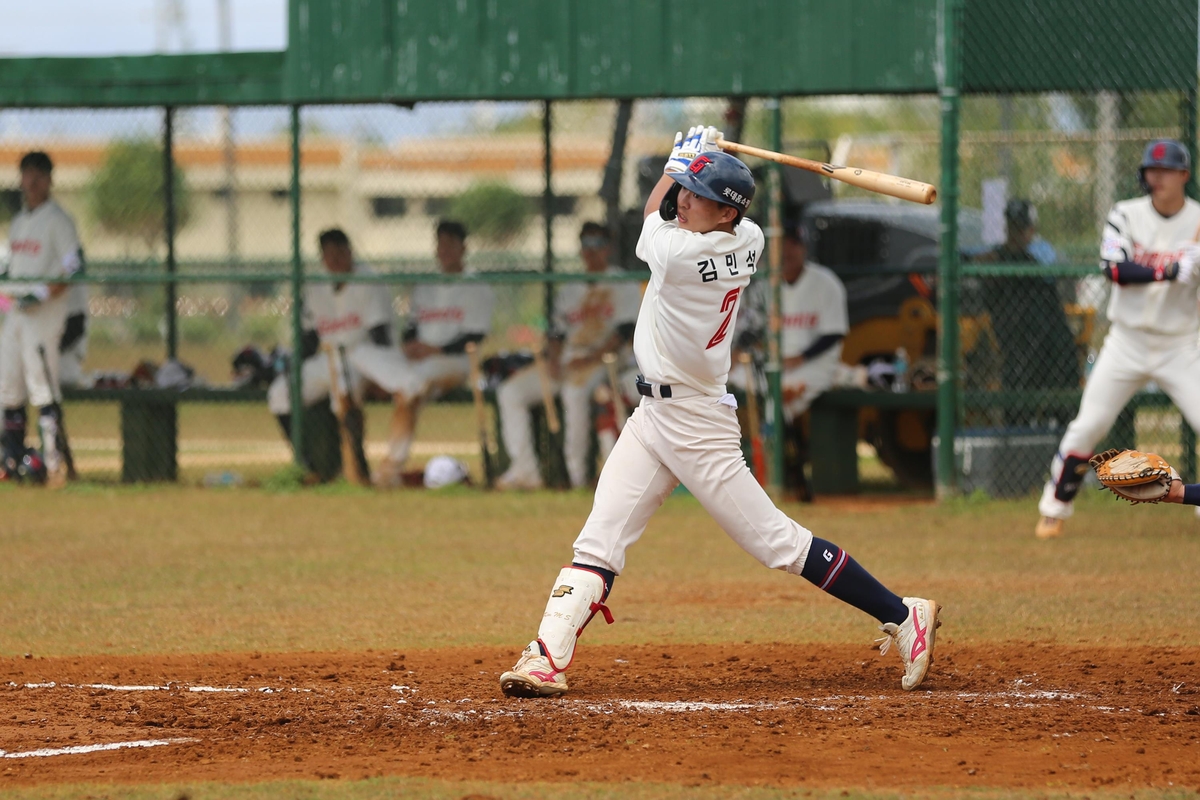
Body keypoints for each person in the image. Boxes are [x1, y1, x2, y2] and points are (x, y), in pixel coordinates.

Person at [498, 126, 941, 699]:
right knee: (599, 540)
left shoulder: (681, 252)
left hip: (697, 423)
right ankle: (546, 658)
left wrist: (682, 158)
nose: (682, 198)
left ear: (725, 213)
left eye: (697, 193)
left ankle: (904, 615)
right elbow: (685, 207)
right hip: (652, 417)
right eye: (683, 188)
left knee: (777, 543)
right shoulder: (749, 235)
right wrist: (704, 165)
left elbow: (648, 220)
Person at [1035, 140, 1200, 539]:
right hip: (1127, 341)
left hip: (1182, 343)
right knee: (1089, 425)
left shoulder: (1197, 218)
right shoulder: (1125, 213)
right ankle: (1053, 510)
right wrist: (1169, 270)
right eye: (1150, 170)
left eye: (1165, 171)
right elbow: (1113, 268)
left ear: (1184, 176)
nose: (1155, 177)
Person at [495, 222, 640, 490]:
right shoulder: (570, 288)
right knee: (510, 393)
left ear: (608, 249)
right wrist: (552, 359)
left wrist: (589, 357)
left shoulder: (622, 282)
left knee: (574, 395)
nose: (590, 251)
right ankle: (525, 472)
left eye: (597, 245)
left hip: (606, 361)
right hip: (567, 361)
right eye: (585, 245)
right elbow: (557, 332)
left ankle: (577, 478)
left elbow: (624, 332)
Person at [267, 228, 405, 481]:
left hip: (364, 359)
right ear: (322, 258)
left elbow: (381, 336)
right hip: (328, 358)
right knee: (279, 393)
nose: (336, 260)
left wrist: (384, 375)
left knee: (341, 395)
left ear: (350, 251)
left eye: (340, 253)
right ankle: (309, 466)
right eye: (329, 254)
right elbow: (309, 339)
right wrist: (293, 368)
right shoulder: (317, 286)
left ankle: (356, 467)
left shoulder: (368, 280)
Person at [374, 220, 495, 486]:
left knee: (412, 387)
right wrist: (412, 344)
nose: (445, 250)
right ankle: (388, 469)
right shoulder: (426, 285)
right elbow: (412, 327)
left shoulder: (476, 286)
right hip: (420, 361)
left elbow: (474, 336)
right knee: (405, 385)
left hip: (455, 362)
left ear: (464, 247)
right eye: (440, 243)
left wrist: (434, 349)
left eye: (451, 243)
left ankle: (390, 468)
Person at [731, 224, 847, 498]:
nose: (785, 252)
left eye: (792, 244)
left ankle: (788, 470)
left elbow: (835, 333)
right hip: (774, 362)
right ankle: (772, 464)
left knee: (777, 397)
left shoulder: (825, 281)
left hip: (815, 363)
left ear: (803, 248)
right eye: (779, 246)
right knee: (736, 382)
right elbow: (755, 328)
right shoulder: (766, 285)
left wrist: (801, 357)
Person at [0, 152, 83, 488]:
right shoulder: (20, 222)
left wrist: (41, 294)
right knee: (9, 389)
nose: (31, 182)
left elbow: (72, 269)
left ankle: (53, 465)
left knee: (41, 387)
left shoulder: (58, 221)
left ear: (49, 179)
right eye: (27, 175)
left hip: (43, 318)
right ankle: (13, 459)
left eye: (38, 176)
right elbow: (9, 270)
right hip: (15, 316)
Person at [974, 200, 1078, 422]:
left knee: (1062, 367)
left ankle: (1058, 427)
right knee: (1019, 387)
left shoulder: (1035, 261)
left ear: (1031, 230)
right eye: (1013, 227)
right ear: (1006, 228)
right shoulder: (994, 259)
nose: (1018, 234)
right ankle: (1019, 431)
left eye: (1022, 228)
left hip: (1048, 345)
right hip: (1016, 343)